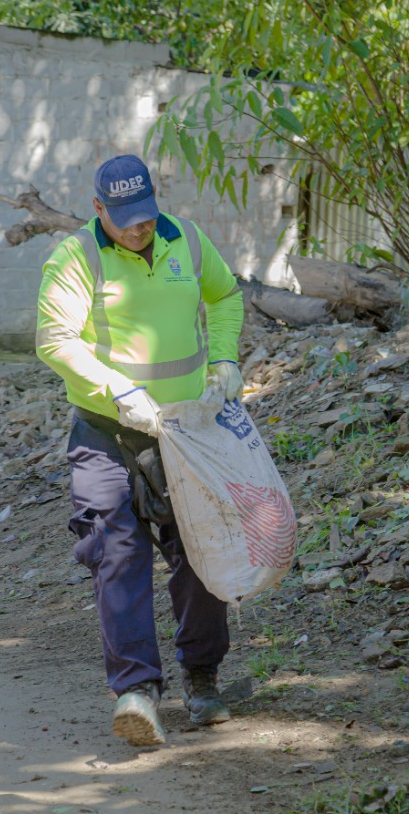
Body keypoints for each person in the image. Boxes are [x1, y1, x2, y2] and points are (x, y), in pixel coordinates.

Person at [35, 154, 246, 746]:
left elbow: (226, 297)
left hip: (183, 432)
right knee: (115, 552)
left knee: (199, 551)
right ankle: (136, 692)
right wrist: (117, 389)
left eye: (146, 215)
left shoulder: (187, 240)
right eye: (125, 219)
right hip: (107, 432)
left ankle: (201, 677)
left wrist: (224, 357)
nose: (139, 228)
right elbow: (54, 340)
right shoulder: (75, 258)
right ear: (98, 208)